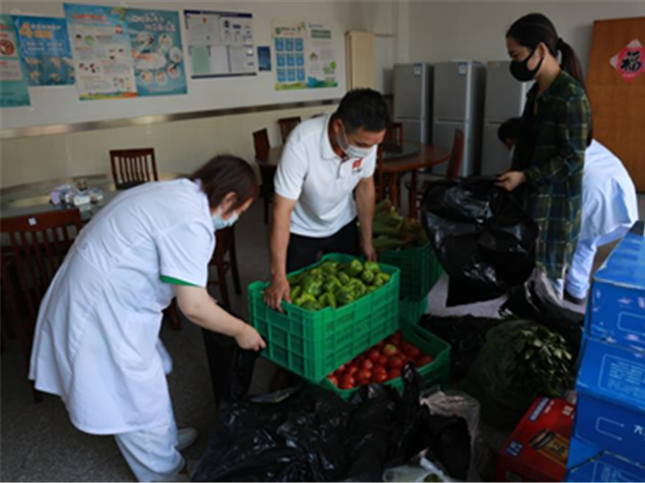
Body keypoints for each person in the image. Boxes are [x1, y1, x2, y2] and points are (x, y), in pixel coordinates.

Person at [29, 155, 266, 482]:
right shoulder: (191, 221)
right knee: (134, 396)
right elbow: (194, 307)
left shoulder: (175, 191)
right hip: (103, 309)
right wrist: (241, 330)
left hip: (102, 292)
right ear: (229, 199)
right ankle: (163, 473)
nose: (236, 218)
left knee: (149, 377)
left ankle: (165, 442)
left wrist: (201, 297)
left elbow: (180, 275)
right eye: (241, 210)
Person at [264, 88, 391, 311]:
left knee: (349, 295)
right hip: (302, 229)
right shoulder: (302, 143)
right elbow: (281, 210)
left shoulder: (367, 141)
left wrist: (367, 240)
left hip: (343, 222)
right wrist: (278, 275)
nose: (369, 151)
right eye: (363, 145)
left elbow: (364, 187)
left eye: (375, 144)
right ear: (338, 126)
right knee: (297, 299)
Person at [496, 13, 592, 297]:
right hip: (531, 202)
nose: (515, 63)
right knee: (523, 281)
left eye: (516, 55)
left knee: (546, 290)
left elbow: (572, 159)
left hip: (555, 210)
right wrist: (515, 173)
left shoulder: (570, 96)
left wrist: (525, 176)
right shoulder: (536, 92)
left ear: (540, 50)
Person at [498, 118, 638, 304]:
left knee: (559, 243)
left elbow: (525, 177)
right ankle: (576, 290)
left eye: (508, 145)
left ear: (513, 139)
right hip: (618, 184)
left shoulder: (531, 146)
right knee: (586, 241)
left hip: (590, 188)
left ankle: (552, 295)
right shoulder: (565, 135)